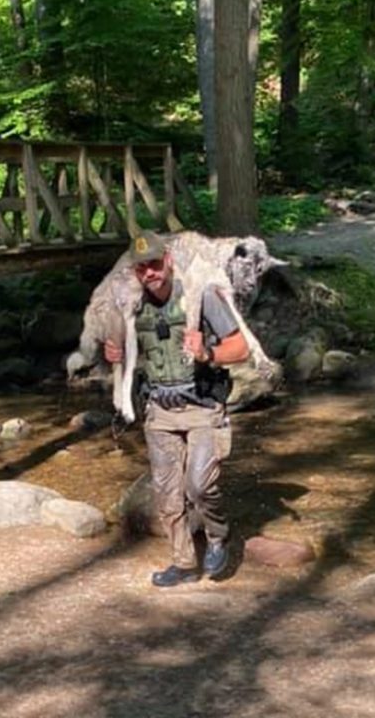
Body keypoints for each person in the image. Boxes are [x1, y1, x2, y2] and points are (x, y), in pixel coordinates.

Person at [104, 230, 251, 587]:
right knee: (168, 495)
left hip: (202, 406)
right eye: (142, 268)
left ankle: (218, 536)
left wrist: (207, 354)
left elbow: (241, 348)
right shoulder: (130, 305)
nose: (150, 273)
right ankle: (183, 563)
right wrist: (115, 354)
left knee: (199, 485)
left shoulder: (203, 296)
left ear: (168, 260)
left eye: (155, 264)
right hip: (159, 410)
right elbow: (123, 347)